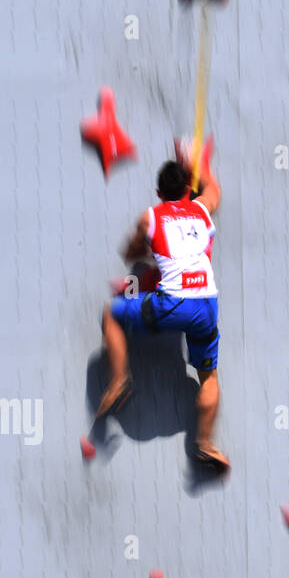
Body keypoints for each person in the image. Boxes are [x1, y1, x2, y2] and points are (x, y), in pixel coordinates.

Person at [95, 149, 229, 472]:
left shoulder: (151, 217)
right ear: (187, 189)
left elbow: (131, 253)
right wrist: (197, 163)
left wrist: (144, 248)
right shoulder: (202, 208)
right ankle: (205, 443)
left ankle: (119, 381)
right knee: (208, 376)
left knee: (112, 313)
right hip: (206, 305)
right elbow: (215, 190)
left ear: (159, 193)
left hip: (172, 303)